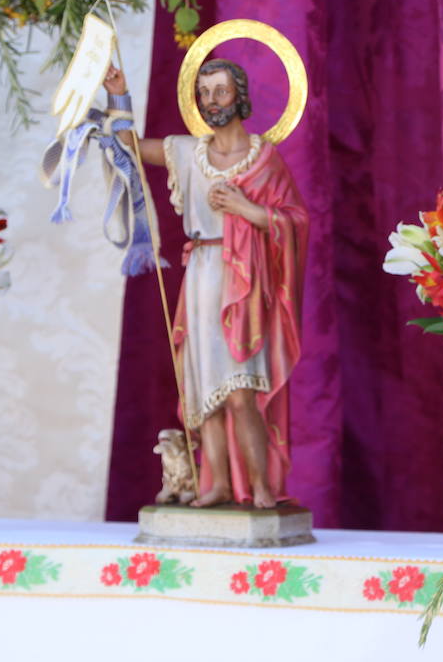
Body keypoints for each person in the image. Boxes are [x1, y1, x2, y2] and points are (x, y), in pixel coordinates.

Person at [104, 59, 308, 509]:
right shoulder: (188, 152)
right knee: (203, 393)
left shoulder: (264, 159)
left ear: (239, 94)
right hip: (200, 273)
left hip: (245, 283)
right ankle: (214, 485)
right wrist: (118, 94)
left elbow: (295, 222)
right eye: (205, 93)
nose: (212, 101)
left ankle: (260, 489)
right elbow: (130, 145)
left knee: (241, 394)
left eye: (220, 91)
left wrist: (247, 209)